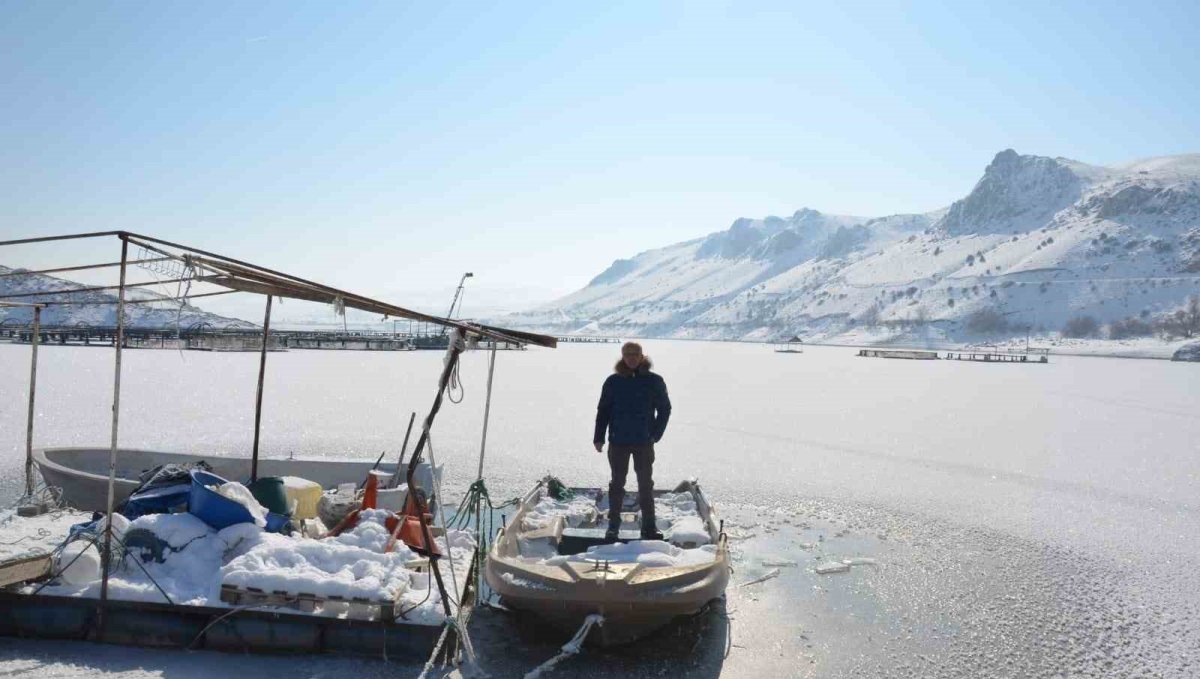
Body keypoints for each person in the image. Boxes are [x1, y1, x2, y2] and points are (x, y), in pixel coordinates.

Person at [593, 341, 672, 542]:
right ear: (623, 356)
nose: (631, 358)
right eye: (627, 354)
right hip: (618, 441)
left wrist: (656, 434)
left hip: (643, 442)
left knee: (645, 484)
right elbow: (603, 410)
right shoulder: (613, 381)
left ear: (641, 356)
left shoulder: (654, 381)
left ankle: (649, 527)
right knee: (617, 484)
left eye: (635, 354)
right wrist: (598, 437)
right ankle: (613, 527)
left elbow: (665, 409)